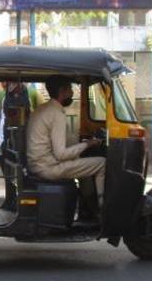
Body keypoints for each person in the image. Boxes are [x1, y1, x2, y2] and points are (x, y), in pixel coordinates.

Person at [26, 75, 106, 219]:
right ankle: (102, 209)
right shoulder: (57, 114)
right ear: (62, 91)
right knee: (102, 163)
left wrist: (81, 146)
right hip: (49, 168)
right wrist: (87, 144)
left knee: (83, 166)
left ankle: (87, 209)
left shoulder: (41, 109)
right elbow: (61, 154)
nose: (72, 92)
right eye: (70, 89)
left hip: (37, 165)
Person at [0, 80, 41, 210]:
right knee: (9, 178)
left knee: (25, 177)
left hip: (28, 145)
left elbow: (41, 118)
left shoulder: (34, 94)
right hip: (6, 144)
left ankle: (24, 207)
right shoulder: (0, 96)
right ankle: (10, 203)